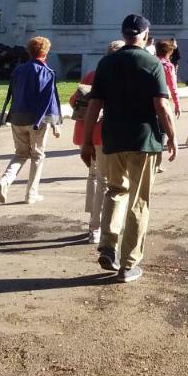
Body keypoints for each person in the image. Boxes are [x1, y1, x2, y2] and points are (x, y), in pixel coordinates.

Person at [79, 13, 178, 282]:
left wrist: (87, 141)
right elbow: (161, 106)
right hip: (143, 140)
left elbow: (94, 106)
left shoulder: (107, 63)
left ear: (124, 34)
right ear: (146, 35)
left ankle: (108, 247)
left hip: (112, 138)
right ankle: (128, 263)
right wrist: (172, 136)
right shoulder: (152, 63)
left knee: (114, 191)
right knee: (139, 200)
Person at [0, 36, 63, 205]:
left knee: (20, 153)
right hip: (37, 120)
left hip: (17, 118)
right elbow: (50, 100)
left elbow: (12, 93)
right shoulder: (47, 72)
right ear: (46, 52)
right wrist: (55, 124)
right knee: (38, 155)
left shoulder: (18, 70)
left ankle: (5, 180)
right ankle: (31, 194)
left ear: (29, 51)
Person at [75, 41, 122, 243]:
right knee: (103, 180)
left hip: (86, 132)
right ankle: (95, 226)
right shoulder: (117, 75)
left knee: (93, 176)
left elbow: (73, 99)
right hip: (103, 134)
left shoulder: (92, 74)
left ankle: (92, 218)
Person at [155, 38, 182, 171]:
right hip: (162, 100)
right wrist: (177, 104)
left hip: (147, 101)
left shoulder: (151, 63)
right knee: (161, 132)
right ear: (168, 52)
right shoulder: (167, 66)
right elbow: (173, 86)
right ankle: (157, 163)